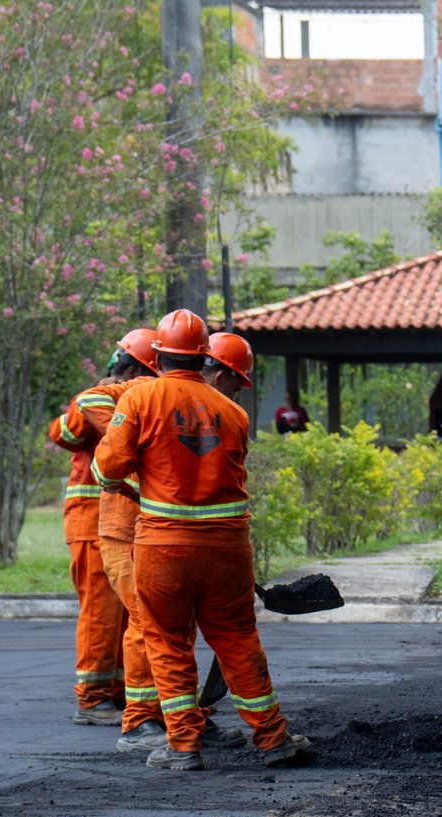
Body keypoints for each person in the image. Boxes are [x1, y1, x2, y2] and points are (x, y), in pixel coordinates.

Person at [94, 309, 309, 771]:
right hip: (229, 549)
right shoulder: (235, 413)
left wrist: (131, 474)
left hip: (164, 548)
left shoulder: (139, 400)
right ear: (204, 357)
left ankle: (183, 745)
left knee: (168, 641)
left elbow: (106, 469)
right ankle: (273, 738)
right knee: (237, 639)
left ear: (157, 354)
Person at [45, 345, 131, 725]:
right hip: (91, 521)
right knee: (101, 612)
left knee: (125, 615)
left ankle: (119, 692)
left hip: (117, 524)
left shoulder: (133, 403)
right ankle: (93, 699)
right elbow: (61, 431)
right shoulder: (96, 400)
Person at [203, 332, 255, 403]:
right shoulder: (219, 412)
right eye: (234, 390)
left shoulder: (184, 393)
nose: (232, 399)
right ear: (219, 377)